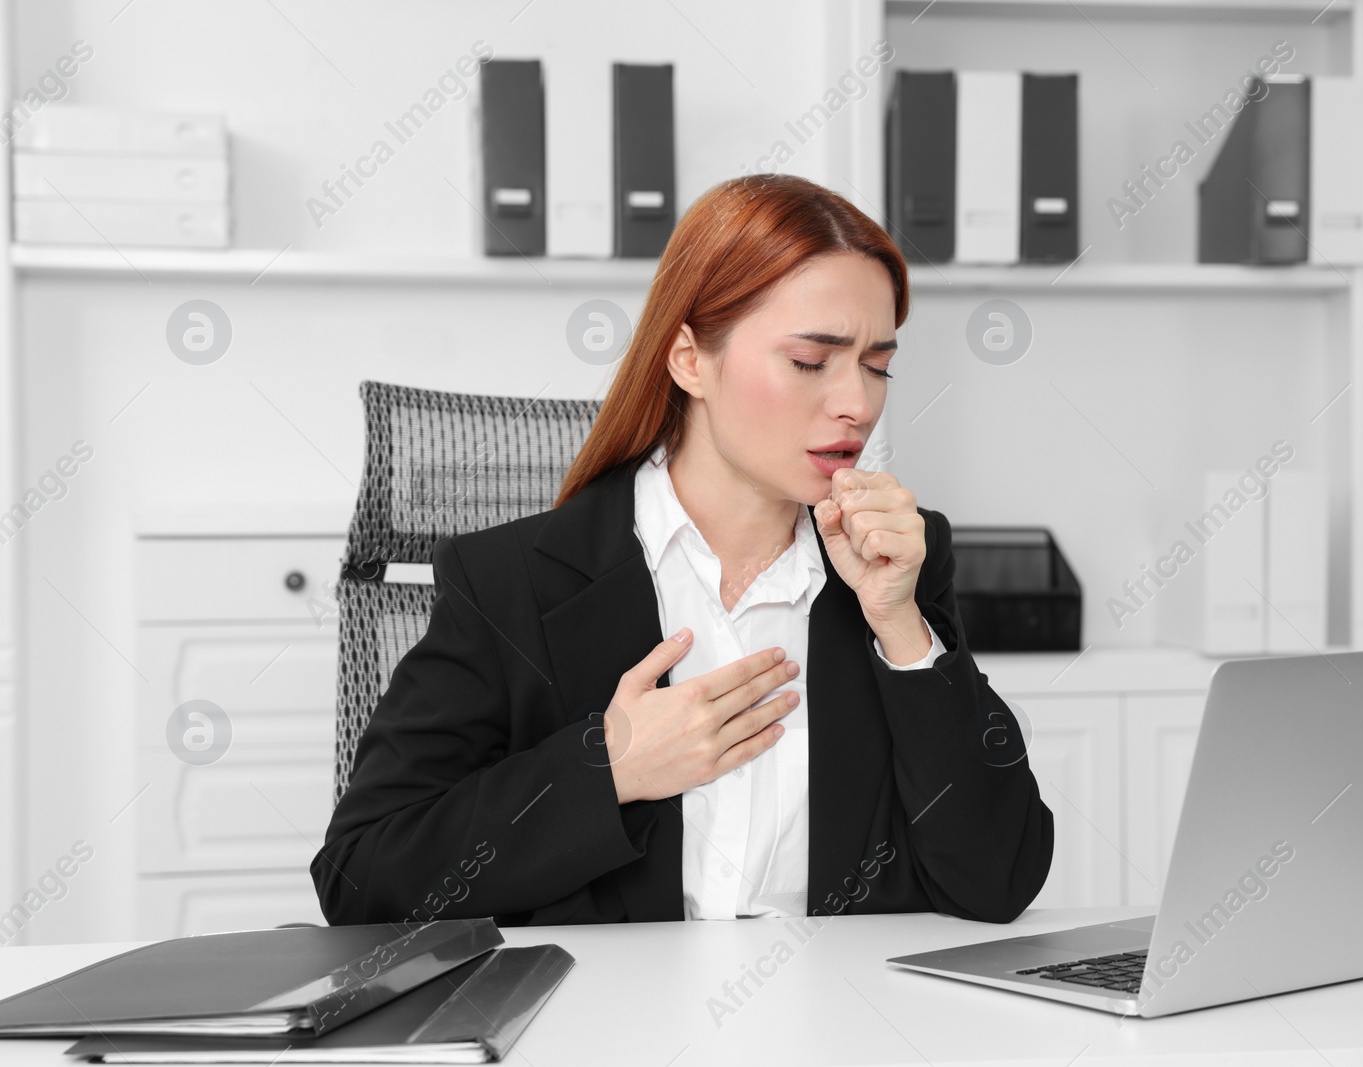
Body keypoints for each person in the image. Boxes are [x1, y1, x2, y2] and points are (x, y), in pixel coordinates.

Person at [311, 173, 1053, 927]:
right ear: (690, 359)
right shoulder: (510, 582)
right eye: (809, 361)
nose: (858, 404)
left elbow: (997, 879)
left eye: (877, 364)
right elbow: (362, 876)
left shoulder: (897, 562)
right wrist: (610, 769)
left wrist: (903, 630)